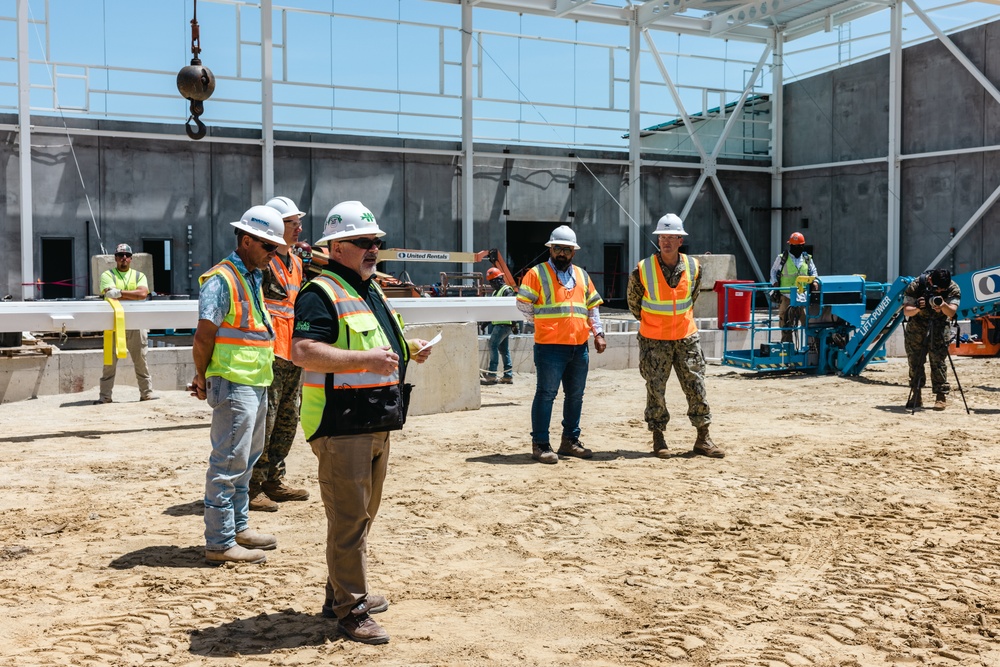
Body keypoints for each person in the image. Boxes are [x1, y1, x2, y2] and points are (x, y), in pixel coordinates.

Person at [291, 200, 432, 645]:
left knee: (362, 516)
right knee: (349, 519)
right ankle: (351, 609)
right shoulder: (321, 291)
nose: (374, 249)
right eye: (363, 242)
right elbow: (302, 351)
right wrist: (364, 361)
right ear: (336, 247)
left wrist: (410, 348)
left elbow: (380, 346)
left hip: (374, 417)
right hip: (340, 423)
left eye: (377, 242)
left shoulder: (370, 288)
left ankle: (340, 592)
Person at [190, 205, 287, 565]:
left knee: (246, 462)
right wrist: (202, 376)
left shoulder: (252, 276)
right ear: (246, 240)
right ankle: (219, 541)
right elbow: (203, 336)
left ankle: (239, 528)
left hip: (255, 380)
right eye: (267, 247)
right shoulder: (222, 279)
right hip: (233, 381)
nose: (272, 255)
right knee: (228, 464)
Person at [626, 214, 724, 459]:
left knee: (696, 385)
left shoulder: (693, 267)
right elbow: (634, 304)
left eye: (671, 237)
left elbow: (692, 297)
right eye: (662, 237)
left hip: (686, 337)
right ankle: (658, 438)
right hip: (653, 340)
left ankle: (703, 438)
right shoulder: (642, 269)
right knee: (655, 389)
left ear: (681, 240)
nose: (666, 241)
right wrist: (655, 323)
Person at [516, 225, 605, 464]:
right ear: (550, 249)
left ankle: (569, 441)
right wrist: (543, 322)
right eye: (558, 249)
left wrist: (598, 333)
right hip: (550, 346)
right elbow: (523, 304)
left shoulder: (582, 276)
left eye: (566, 249)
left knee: (575, 396)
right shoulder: (537, 273)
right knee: (546, 394)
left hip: (578, 346)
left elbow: (592, 307)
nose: (562, 253)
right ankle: (541, 444)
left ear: (573, 252)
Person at [249, 196, 311, 512]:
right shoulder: (262, 262)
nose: (298, 228)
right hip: (268, 352)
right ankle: (252, 486)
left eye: (297, 222)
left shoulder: (297, 263)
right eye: (291, 223)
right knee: (266, 420)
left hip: (292, 352)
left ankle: (274, 479)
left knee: (288, 419)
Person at [96, 243, 154, 404]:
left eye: (126, 255)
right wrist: (131, 294)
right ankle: (105, 396)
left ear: (131, 258)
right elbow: (109, 295)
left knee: (141, 360)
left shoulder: (138, 275)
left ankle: (146, 393)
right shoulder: (107, 275)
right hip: (113, 325)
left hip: (136, 324)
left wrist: (120, 293)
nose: (123, 258)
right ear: (115, 258)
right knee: (109, 363)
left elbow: (142, 293)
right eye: (120, 255)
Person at [902, 267, 960, 410]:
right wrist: (917, 307)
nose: (939, 292)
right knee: (915, 361)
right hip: (917, 326)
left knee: (938, 361)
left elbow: (952, 312)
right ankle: (916, 394)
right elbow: (906, 310)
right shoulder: (916, 285)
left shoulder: (952, 288)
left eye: (942, 290)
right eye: (937, 289)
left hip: (939, 326)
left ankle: (940, 396)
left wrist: (942, 305)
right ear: (930, 280)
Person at [768, 232, 819, 343]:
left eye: (800, 246)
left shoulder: (806, 259)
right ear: (791, 246)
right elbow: (773, 271)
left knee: (809, 324)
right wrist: (774, 282)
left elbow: (814, 271)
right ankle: (787, 352)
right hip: (786, 296)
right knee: (786, 325)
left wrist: (814, 281)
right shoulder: (782, 258)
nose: (798, 248)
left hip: (803, 297)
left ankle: (813, 350)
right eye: (796, 246)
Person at [481, 267, 517, 385]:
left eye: (492, 282)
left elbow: (511, 308)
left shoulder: (507, 290)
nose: (491, 285)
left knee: (492, 345)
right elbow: (495, 310)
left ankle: (492, 375)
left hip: (503, 325)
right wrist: (486, 322)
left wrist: (515, 324)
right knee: (504, 350)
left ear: (499, 279)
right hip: (500, 324)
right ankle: (508, 376)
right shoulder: (496, 292)